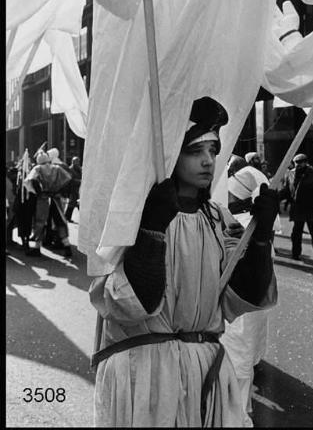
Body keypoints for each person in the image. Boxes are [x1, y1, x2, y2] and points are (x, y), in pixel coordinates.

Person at [89, 96, 279, 427]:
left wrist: (261, 237)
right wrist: (151, 228)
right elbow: (129, 304)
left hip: (202, 370)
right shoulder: (131, 214)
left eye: (213, 151)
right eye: (195, 151)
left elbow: (242, 295)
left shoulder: (218, 218)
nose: (208, 161)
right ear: (169, 154)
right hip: (145, 375)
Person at [221, 162, 280, 426]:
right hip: (250, 307)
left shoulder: (241, 222)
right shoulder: (246, 219)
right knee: (242, 361)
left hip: (240, 309)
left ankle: (240, 417)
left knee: (236, 366)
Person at [24, 152, 73, 258]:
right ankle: (67, 246)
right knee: (60, 221)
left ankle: (37, 248)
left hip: (43, 198)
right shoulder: (57, 168)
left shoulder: (38, 169)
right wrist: (58, 189)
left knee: (40, 222)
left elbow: (29, 181)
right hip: (56, 198)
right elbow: (68, 178)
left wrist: (37, 191)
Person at [64, 156, 82, 222]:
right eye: (75, 162)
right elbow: (70, 179)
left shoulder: (79, 169)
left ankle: (67, 217)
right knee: (72, 204)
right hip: (72, 189)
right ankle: (67, 217)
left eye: (77, 161)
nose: (77, 163)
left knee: (78, 204)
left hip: (78, 189)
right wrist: (79, 181)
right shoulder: (70, 169)